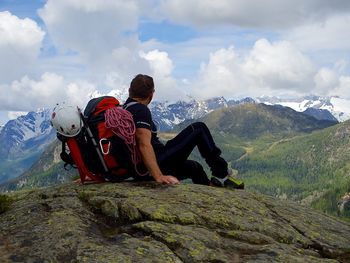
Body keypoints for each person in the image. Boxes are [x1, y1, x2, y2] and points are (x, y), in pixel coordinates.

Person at [123, 74, 244, 188]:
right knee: (198, 128)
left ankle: (209, 194)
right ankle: (221, 173)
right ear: (151, 93)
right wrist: (158, 176)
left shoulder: (124, 109)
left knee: (194, 167)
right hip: (155, 163)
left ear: (130, 91)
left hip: (142, 166)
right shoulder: (140, 110)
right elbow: (143, 144)